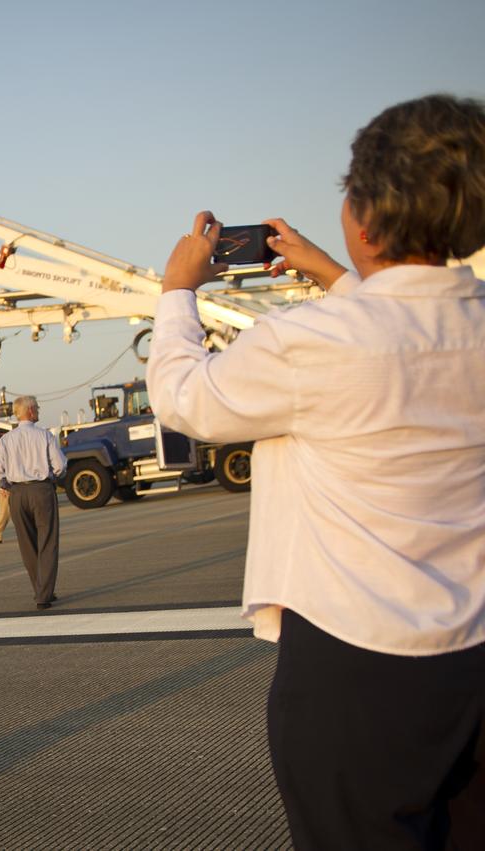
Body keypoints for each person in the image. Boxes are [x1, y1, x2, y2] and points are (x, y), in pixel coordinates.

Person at [146, 94, 485, 848]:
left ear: (362, 214)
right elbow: (408, 324)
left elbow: (184, 397)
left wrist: (177, 292)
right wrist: (335, 273)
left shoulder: (312, 342)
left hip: (360, 665)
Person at [0, 396, 65, 609]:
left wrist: (6, 485)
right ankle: (44, 594)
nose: (38, 411)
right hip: (41, 490)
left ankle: (40, 589)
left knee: (27, 544)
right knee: (47, 542)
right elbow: (59, 466)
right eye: (37, 408)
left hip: (17, 493)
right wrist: (51, 478)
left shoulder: (6, 439)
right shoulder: (44, 436)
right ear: (31, 411)